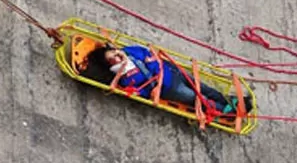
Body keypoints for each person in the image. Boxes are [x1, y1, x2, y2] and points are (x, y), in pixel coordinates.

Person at [86, 44, 252, 116]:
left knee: (205, 89)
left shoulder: (130, 51)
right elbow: (141, 92)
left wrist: (150, 63)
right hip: (169, 88)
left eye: (114, 53)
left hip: (172, 72)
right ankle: (228, 112)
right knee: (199, 100)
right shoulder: (123, 78)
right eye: (111, 60)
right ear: (109, 66)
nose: (116, 58)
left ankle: (234, 103)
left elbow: (146, 54)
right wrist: (148, 89)